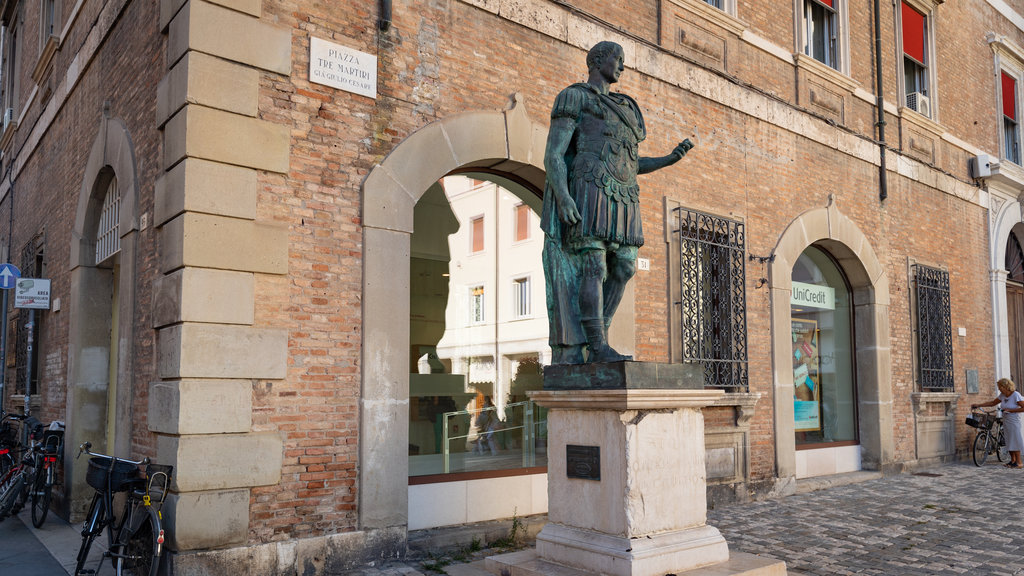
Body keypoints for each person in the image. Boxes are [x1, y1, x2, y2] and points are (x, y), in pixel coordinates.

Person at [542, 41, 694, 364]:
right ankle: (597, 347)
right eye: (618, 59)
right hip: (589, 188)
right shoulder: (575, 97)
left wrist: (669, 159)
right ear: (599, 60)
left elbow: (631, 162)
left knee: (625, 266)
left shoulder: (625, 108)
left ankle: (600, 337)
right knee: (593, 266)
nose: (622, 66)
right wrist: (563, 196)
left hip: (623, 193)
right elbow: (554, 153)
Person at [972, 378, 1024, 468]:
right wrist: (979, 404)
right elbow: (992, 403)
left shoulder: (1015, 395)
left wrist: (1011, 410)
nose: (999, 388)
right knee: (1008, 440)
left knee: (1015, 440)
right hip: (1006, 420)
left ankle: (1019, 463)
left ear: (1005, 386)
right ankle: (1012, 461)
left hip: (1014, 421)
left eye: (999, 387)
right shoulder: (1003, 395)